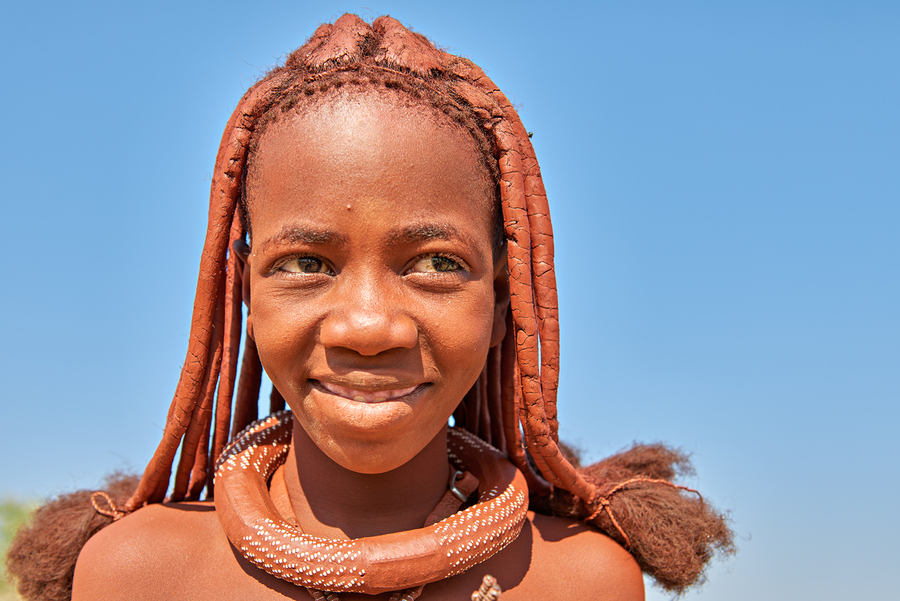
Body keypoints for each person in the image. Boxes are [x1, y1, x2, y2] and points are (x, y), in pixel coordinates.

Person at [7, 14, 733, 601]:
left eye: (437, 264)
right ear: (247, 294)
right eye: (306, 264)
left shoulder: (582, 582)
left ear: (501, 301)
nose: (367, 326)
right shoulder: (138, 575)